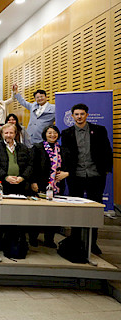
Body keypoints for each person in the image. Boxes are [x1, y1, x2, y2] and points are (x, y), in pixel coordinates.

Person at [61, 103, 113, 255]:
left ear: (87, 115)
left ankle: (92, 242)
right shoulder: (67, 133)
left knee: (94, 211)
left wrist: (106, 169)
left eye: (82, 114)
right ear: (72, 116)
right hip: (75, 176)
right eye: (76, 114)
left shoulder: (99, 130)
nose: (79, 117)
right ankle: (76, 240)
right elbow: (66, 155)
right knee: (76, 211)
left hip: (95, 176)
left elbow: (107, 150)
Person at [29, 125, 69, 248]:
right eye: (49, 133)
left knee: (53, 214)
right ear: (45, 134)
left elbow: (68, 166)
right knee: (37, 213)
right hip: (40, 185)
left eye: (55, 133)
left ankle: (49, 239)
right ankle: (33, 238)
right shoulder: (37, 147)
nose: (52, 135)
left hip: (56, 186)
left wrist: (65, 173)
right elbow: (31, 165)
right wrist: (33, 182)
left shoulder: (62, 149)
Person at [0, 123, 32, 195]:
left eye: (11, 133)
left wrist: (22, 177)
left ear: (15, 134)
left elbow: (30, 165)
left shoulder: (23, 148)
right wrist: (6, 177)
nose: (8, 135)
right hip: (1, 184)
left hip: (20, 185)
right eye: (6, 133)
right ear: (2, 134)